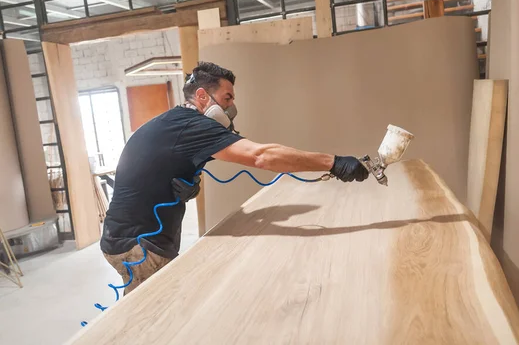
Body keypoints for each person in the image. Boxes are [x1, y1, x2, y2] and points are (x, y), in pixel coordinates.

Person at [100, 62, 369, 294]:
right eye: (227, 99)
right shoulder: (193, 125)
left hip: (125, 237)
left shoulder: (175, 121)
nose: (232, 108)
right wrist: (333, 163)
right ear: (202, 96)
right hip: (139, 245)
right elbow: (261, 156)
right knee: (156, 321)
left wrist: (182, 183)